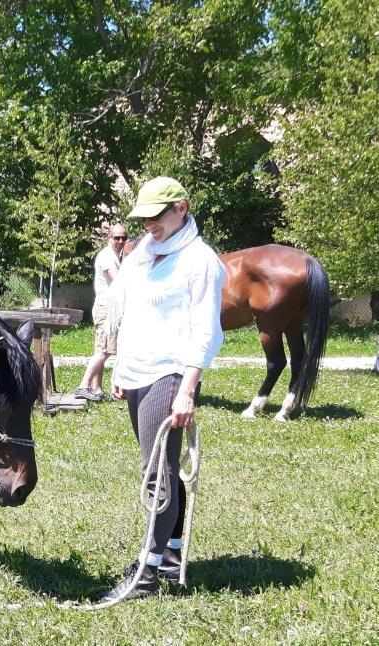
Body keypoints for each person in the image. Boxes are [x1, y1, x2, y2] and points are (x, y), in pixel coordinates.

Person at [100, 176, 225, 602]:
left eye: (157, 216)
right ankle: (170, 553)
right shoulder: (143, 256)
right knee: (163, 466)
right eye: (144, 217)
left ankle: (147, 573)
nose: (149, 224)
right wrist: (120, 366)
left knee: (158, 474)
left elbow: (206, 330)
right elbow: (130, 312)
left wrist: (188, 388)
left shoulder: (200, 261)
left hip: (170, 375)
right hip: (136, 373)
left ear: (182, 209)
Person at [74, 224, 127, 401]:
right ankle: (83, 385)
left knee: (101, 348)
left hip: (108, 307)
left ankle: (97, 390)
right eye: (117, 237)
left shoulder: (115, 256)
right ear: (109, 238)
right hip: (107, 308)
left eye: (124, 238)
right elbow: (119, 280)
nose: (121, 241)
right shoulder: (107, 257)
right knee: (104, 351)